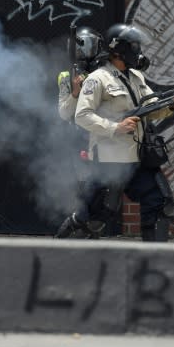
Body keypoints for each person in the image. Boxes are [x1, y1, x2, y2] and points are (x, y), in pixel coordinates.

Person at [73, 23, 174, 242]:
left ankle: (152, 259)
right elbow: (82, 115)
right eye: (134, 46)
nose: (138, 51)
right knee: (96, 217)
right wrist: (115, 127)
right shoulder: (98, 79)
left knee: (160, 203)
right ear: (118, 49)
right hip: (108, 161)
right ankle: (67, 251)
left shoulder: (136, 76)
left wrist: (173, 105)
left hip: (136, 158)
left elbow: (153, 108)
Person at [54, 26, 108, 239]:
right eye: (81, 48)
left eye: (88, 47)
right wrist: (76, 93)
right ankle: (74, 231)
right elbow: (64, 113)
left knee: (99, 191)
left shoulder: (105, 74)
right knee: (83, 190)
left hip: (100, 138)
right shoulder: (66, 76)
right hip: (77, 139)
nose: (84, 53)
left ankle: (91, 233)